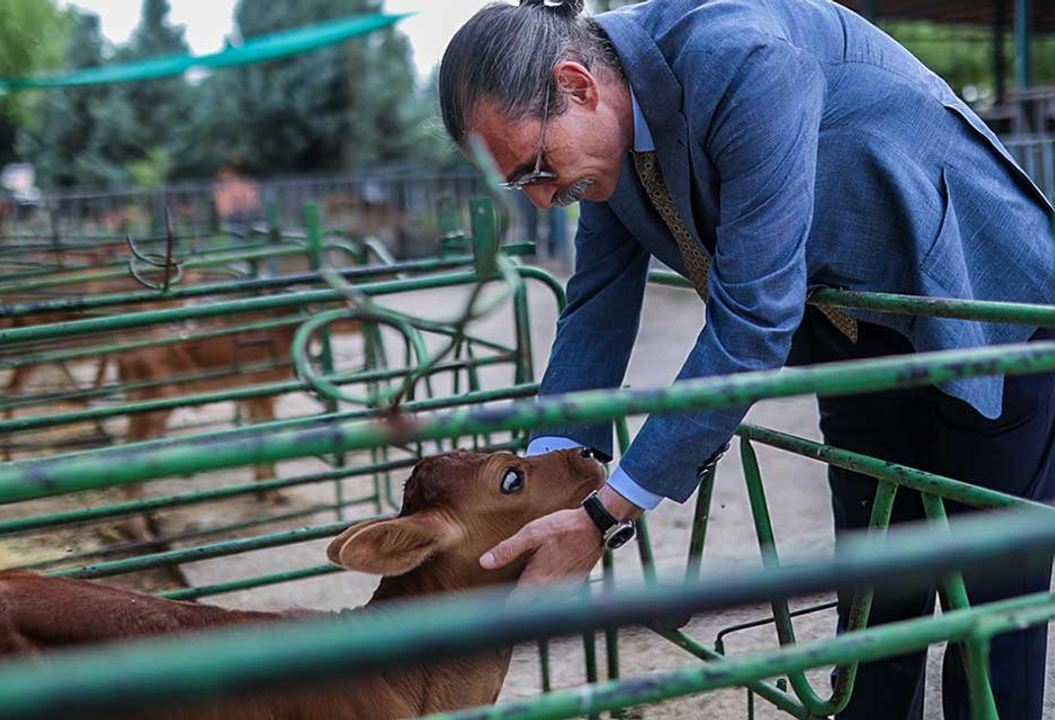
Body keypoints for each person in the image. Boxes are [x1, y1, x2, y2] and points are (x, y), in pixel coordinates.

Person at [437, 1, 1055, 718]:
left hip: (984, 301)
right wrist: (546, 478)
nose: (543, 200)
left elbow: (754, 319)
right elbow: (596, 303)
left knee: (991, 607)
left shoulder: (739, 59)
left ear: (578, 86)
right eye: (522, 185)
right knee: (877, 595)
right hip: (859, 326)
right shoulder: (604, 142)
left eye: (536, 168)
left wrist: (607, 513)